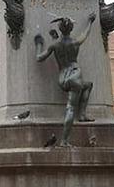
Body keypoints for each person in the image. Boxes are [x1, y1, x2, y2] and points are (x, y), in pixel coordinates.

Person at [34, 13, 96, 146]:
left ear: (60, 28)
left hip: (62, 78)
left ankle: (82, 115)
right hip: (75, 75)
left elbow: (39, 58)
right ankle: (64, 140)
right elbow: (85, 34)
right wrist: (90, 22)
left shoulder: (55, 45)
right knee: (70, 108)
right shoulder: (75, 42)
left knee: (88, 85)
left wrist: (39, 44)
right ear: (71, 29)